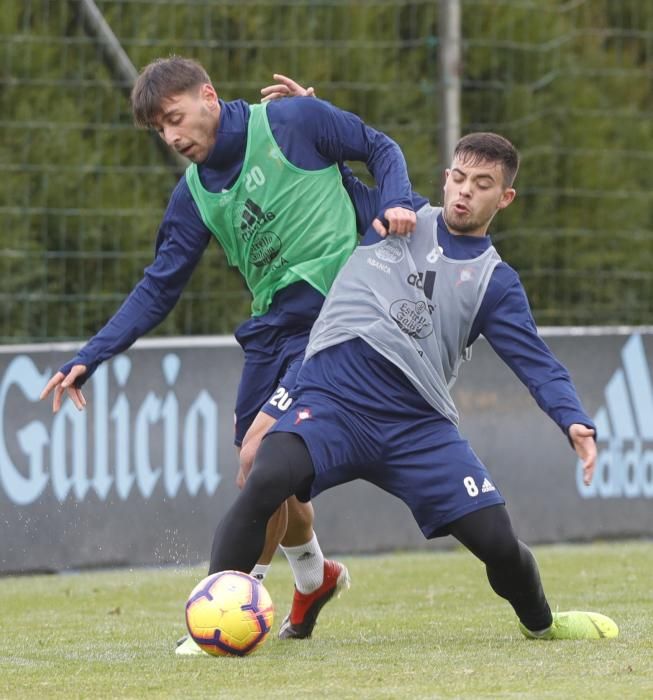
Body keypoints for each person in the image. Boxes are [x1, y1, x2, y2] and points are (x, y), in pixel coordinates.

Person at [38, 57, 417, 654]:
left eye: (175, 118)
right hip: (273, 331)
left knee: (258, 455)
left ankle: (233, 603)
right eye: (160, 130)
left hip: (337, 314)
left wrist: (393, 206)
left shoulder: (292, 120)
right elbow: (159, 285)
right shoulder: (192, 196)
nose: (171, 136)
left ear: (208, 96)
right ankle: (315, 578)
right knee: (279, 486)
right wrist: (93, 354)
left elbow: (379, 146)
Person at [207, 130, 619, 644]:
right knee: (267, 476)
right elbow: (324, 172)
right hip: (334, 395)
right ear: (446, 178)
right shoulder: (393, 214)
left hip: (416, 423)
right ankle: (213, 618)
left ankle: (543, 624)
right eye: (459, 178)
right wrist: (304, 119)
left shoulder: (495, 281)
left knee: (497, 542)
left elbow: (537, 363)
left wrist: (573, 418)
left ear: (504, 198)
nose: (465, 191)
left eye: (483, 184)